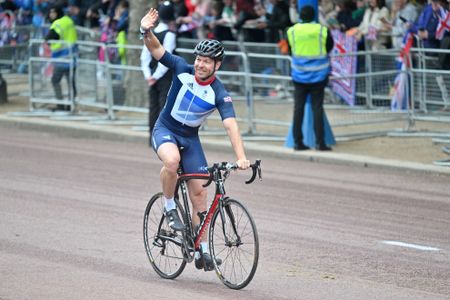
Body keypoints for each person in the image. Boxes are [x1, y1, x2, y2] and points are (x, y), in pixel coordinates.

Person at [140, 7, 251, 270]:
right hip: (165, 128)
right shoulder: (181, 68)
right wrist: (146, 30)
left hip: (190, 138)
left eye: (207, 61)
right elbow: (156, 50)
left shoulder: (218, 92)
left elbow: (231, 126)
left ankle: (200, 249)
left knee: (200, 195)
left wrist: (241, 158)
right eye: (199, 59)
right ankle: (168, 205)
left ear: (217, 65)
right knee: (171, 161)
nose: (201, 64)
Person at [287, 5, 334, 151]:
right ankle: (320, 143)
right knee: (317, 109)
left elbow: (290, 49)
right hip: (318, 77)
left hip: (299, 76)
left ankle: (297, 142)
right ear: (314, 16)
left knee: (298, 109)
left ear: (300, 16)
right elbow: (330, 46)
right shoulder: (322, 30)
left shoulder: (292, 31)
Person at [140, 1, 177, 143]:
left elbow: (145, 56)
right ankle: (161, 139)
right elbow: (166, 59)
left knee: (153, 107)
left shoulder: (152, 32)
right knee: (163, 107)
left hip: (152, 76)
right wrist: (155, 76)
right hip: (164, 77)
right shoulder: (170, 34)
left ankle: (152, 137)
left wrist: (148, 75)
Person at [44, 5, 78, 110]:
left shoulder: (57, 24)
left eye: (53, 12)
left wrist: (49, 43)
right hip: (72, 57)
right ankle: (71, 104)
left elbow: (49, 37)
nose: (51, 15)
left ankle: (60, 105)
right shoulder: (69, 20)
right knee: (70, 82)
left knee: (55, 80)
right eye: (50, 12)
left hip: (61, 58)